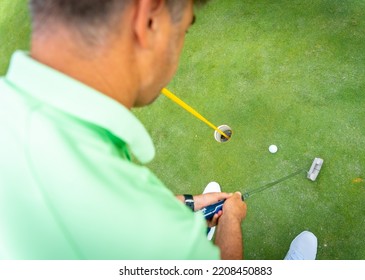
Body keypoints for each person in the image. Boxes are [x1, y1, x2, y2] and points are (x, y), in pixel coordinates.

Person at [0, 0, 247, 260]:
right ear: (148, 19)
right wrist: (231, 219)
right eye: (183, 30)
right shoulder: (132, 223)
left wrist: (188, 205)